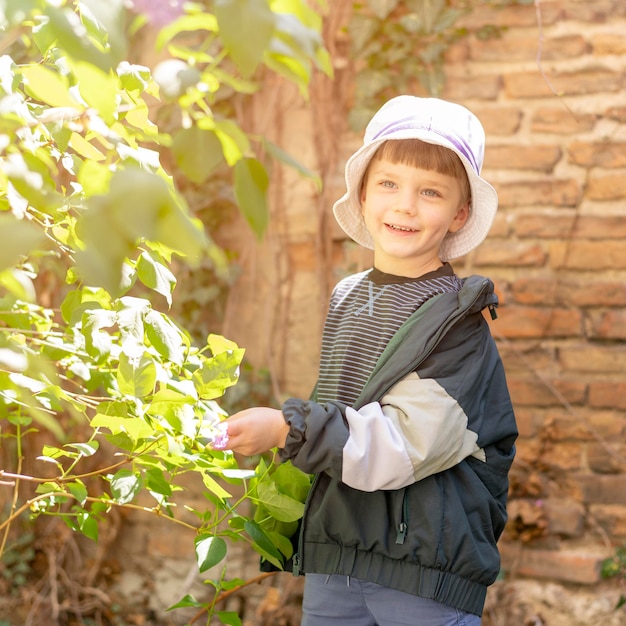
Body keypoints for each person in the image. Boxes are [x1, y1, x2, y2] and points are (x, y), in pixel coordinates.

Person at [215, 95, 518, 626]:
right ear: (361, 192)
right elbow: (343, 412)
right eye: (388, 183)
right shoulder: (350, 296)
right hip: (339, 550)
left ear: (459, 213)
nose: (405, 205)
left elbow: (401, 445)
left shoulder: (458, 321)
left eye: (430, 192)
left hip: (422, 568)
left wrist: (287, 430)